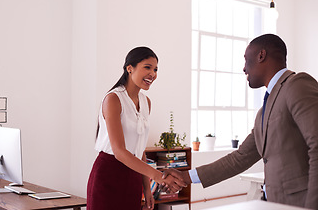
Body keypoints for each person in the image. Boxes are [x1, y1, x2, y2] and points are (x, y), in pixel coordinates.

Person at [162, 34, 318, 209]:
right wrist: (185, 177)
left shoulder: (297, 84)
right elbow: (240, 158)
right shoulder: (264, 111)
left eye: (246, 59)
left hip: (301, 203)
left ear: (261, 55)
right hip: (275, 203)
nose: (244, 68)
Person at [87, 47, 185, 210]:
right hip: (108, 174)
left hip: (133, 177)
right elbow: (119, 151)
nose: (152, 74)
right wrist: (159, 177)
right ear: (129, 68)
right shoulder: (113, 99)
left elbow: (140, 150)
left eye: (155, 70)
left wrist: (147, 189)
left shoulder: (146, 103)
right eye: (147, 67)